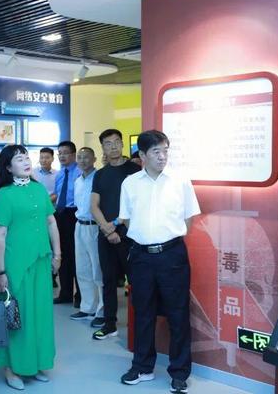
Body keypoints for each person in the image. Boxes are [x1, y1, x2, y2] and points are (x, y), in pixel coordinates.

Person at [119, 130, 200, 394]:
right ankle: (142, 367)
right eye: (156, 151)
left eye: (165, 150)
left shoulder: (180, 180)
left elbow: (189, 218)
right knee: (143, 313)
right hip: (141, 256)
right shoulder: (130, 183)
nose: (162, 156)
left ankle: (179, 372)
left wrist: (165, 238)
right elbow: (126, 219)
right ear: (142, 155)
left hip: (172, 255)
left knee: (178, 314)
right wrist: (147, 238)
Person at [0, 145, 61, 390]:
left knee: (39, 314)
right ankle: (11, 368)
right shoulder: (3, 196)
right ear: (8, 167)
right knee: (15, 317)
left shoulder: (39, 189)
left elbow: (51, 222)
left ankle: (35, 364)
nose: (26, 162)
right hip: (16, 264)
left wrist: (57, 254)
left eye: (26, 157)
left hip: (41, 260)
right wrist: (0, 271)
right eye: (19, 159)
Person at [90, 129, 141, 340]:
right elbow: (94, 206)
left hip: (130, 235)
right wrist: (107, 228)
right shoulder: (100, 174)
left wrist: (117, 227)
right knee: (108, 280)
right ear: (103, 148)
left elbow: (138, 203)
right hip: (106, 235)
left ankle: (138, 326)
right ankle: (109, 324)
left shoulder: (135, 170)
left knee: (136, 281)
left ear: (122, 144)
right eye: (108, 143)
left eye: (117, 142)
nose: (113, 147)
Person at [69, 147, 105, 328]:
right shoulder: (78, 180)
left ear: (94, 159)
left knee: (98, 270)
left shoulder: (99, 178)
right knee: (82, 269)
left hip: (94, 227)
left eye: (86, 157)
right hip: (79, 226)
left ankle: (102, 311)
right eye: (80, 157)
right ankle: (87, 307)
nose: (82, 160)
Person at [53, 141, 81, 307]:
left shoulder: (80, 172)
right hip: (60, 215)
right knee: (62, 254)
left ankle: (80, 295)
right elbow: (57, 194)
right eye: (60, 153)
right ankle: (65, 293)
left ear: (73, 155)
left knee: (77, 256)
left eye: (65, 153)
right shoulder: (59, 174)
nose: (62, 156)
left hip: (75, 214)